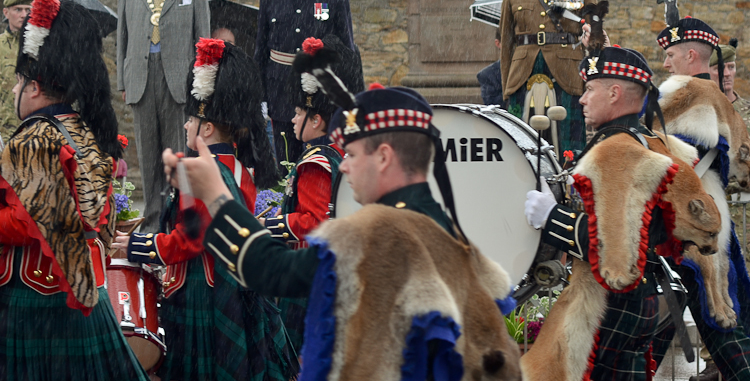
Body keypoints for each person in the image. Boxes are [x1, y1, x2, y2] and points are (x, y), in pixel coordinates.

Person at [162, 84, 521, 380]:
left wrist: (217, 199)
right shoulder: (447, 230)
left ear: (383, 157)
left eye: (351, 154)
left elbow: (273, 272)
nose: (344, 166)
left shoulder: (378, 231)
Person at [112, 37, 292, 381]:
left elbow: (191, 238)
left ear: (206, 128)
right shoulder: (241, 169)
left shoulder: (198, 172)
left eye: (190, 121)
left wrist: (137, 247)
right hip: (235, 286)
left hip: (203, 292)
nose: (184, 126)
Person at [0, 0, 147, 380]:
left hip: (38, 296)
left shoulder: (36, 137)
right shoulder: (85, 131)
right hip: (82, 290)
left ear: (33, 88)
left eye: (18, 85)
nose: (13, 93)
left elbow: (24, 222)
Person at [524, 45, 674, 380]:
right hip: (636, 295)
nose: (582, 99)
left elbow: (613, 245)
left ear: (615, 92)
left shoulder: (617, 151)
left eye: (590, 89)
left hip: (613, 299)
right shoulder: (640, 141)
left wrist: (552, 219)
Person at [653, 16, 750, 381]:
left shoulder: (682, 89)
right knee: (718, 302)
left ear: (691, 54)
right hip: (714, 213)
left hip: (684, 216)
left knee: (690, 307)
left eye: (671, 54)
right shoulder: (723, 102)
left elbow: (650, 142)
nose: (665, 63)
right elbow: (744, 167)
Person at [263, 34, 361, 355]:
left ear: (316, 119)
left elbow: (315, 222)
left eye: (297, 112)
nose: (291, 119)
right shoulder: (338, 151)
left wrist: (271, 226)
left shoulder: (315, 160)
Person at [117, 0, 210, 231]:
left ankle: (178, 218)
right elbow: (123, 37)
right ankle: (153, 220)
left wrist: (203, 81)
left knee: (177, 150)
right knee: (147, 152)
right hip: (140, 76)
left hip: (179, 77)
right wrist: (122, 81)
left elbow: (203, 37)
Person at [254, 0, 360, 171]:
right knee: (285, 160)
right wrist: (260, 96)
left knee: (321, 157)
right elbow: (261, 48)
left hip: (321, 90)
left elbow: (347, 47)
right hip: (280, 88)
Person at [499, 0, 597, 154]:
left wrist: (593, 83)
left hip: (567, 72)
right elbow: (506, 41)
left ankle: (570, 187)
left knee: (569, 142)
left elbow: (595, 35)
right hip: (523, 72)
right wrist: (507, 85)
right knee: (520, 140)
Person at [0, 0, 33, 141]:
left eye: (28, 9)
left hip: (33, 126)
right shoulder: (0, 45)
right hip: (4, 127)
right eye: (17, 9)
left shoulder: (40, 45)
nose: (23, 15)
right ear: (6, 13)